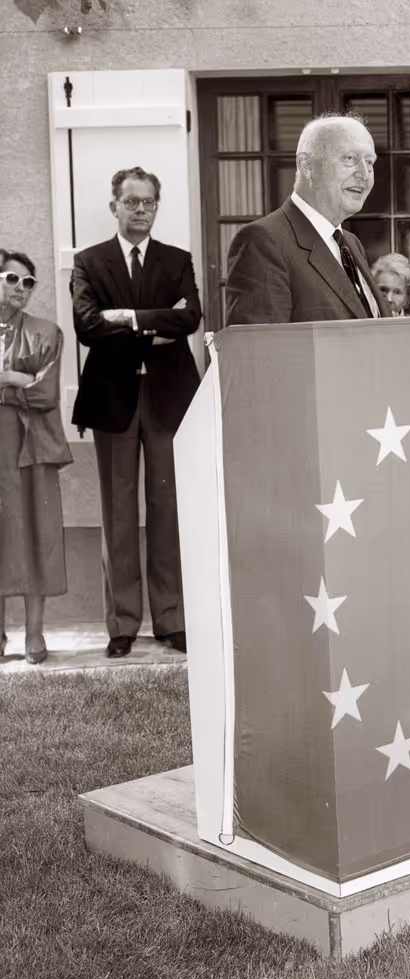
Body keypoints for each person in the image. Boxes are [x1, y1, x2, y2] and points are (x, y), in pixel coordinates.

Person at [72, 167, 202, 658]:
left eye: (148, 202)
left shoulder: (176, 261)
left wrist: (126, 319)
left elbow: (189, 318)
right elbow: (87, 326)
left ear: (156, 207)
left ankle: (171, 619)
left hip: (168, 399)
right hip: (113, 398)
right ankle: (122, 624)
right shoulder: (89, 263)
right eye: (131, 201)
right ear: (115, 207)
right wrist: (155, 325)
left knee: (167, 510)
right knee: (118, 513)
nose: (141, 209)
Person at [225, 112, 389, 325]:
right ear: (307, 165)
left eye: (369, 162)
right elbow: (259, 352)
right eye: (350, 158)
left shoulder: (351, 243)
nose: (364, 174)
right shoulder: (263, 242)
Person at [0, 250, 73, 664]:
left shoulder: (46, 332)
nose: (21, 289)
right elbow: (30, 387)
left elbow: (44, 394)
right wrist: (17, 379)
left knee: (35, 532)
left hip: (32, 447)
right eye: (12, 279)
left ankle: (33, 634)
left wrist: (8, 379)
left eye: (29, 283)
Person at [371, 253, 410, 317]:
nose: (389, 299)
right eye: (383, 290)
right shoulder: (362, 323)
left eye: (397, 292)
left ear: (407, 299)